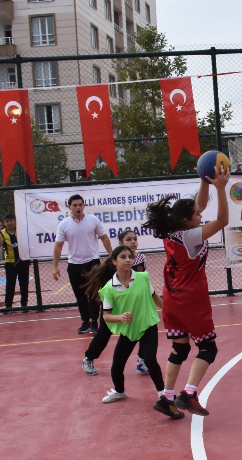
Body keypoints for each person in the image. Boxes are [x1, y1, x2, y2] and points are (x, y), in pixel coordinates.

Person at [144, 165, 230, 418]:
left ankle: (166, 397)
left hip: (171, 298)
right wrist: (220, 189)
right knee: (208, 348)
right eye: (197, 215)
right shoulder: (190, 236)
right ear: (186, 220)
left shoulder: (172, 231)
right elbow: (222, 221)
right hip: (190, 300)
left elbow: (198, 205)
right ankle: (189, 393)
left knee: (180, 349)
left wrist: (204, 180)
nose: (201, 215)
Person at [81, 245, 176, 416]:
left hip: (147, 324)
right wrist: (121, 317)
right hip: (129, 329)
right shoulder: (109, 288)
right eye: (123, 257)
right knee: (116, 366)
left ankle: (163, 394)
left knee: (149, 359)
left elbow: (155, 297)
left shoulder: (142, 277)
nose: (128, 260)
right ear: (114, 262)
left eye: (130, 257)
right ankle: (120, 391)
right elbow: (107, 316)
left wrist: (170, 312)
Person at [82, 230, 150, 376]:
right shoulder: (115, 261)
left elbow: (141, 282)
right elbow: (106, 285)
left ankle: (142, 360)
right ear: (120, 243)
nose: (133, 242)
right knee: (104, 334)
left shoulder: (141, 258)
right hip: (115, 304)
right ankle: (88, 358)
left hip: (134, 304)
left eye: (135, 239)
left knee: (144, 330)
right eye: (128, 239)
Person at [52, 195, 113, 335]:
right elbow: (58, 246)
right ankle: (85, 321)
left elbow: (104, 238)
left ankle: (94, 321)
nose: (78, 207)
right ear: (69, 207)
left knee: (94, 294)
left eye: (80, 204)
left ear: (84, 205)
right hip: (74, 264)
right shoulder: (64, 224)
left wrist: (112, 256)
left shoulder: (93, 220)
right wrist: (55, 266)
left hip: (92, 262)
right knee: (80, 295)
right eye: (75, 205)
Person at [0, 213, 31, 314]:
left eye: (11, 220)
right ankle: (8, 306)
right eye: (7, 221)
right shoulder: (3, 233)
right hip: (10, 262)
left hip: (22, 261)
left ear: (15, 221)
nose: (10, 223)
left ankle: (24, 305)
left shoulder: (20, 230)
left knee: (24, 284)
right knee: (10, 285)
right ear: (4, 223)